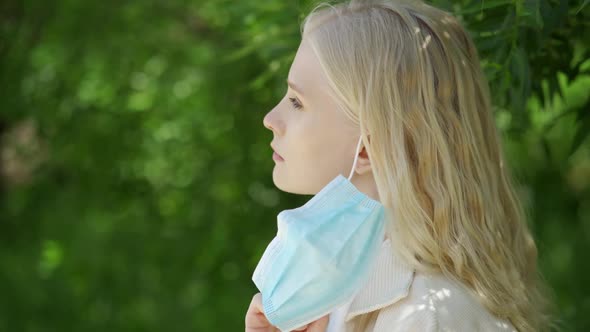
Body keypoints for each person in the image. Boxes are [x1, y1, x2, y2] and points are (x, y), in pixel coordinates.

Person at [245, 0, 553, 331]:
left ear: (367, 147)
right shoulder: (344, 292)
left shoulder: (425, 314)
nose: (270, 119)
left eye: (296, 102)